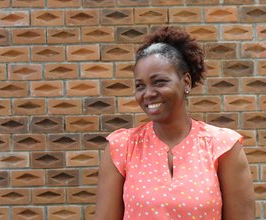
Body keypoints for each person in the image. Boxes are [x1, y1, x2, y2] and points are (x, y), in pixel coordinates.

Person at [95, 27, 255, 220]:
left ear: (186, 82)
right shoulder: (121, 147)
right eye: (140, 85)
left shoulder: (223, 147)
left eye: (159, 82)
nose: (148, 93)